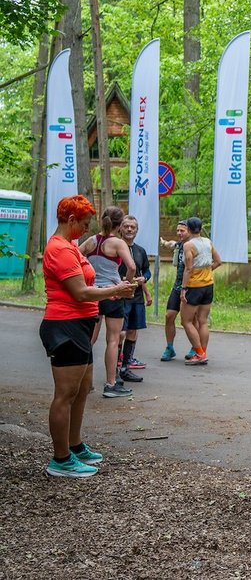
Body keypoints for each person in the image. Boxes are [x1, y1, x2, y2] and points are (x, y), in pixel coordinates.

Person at [40, 196, 134, 477]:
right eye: (83, 223)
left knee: (82, 390)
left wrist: (115, 289)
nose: (86, 228)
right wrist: (116, 291)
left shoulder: (70, 246)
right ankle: (60, 459)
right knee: (65, 394)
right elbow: (80, 292)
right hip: (64, 324)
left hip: (80, 324)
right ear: (70, 221)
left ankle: (75, 444)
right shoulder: (59, 249)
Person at [79, 206, 137, 398]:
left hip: (94, 294)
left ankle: (84, 383)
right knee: (113, 340)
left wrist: (88, 279)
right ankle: (111, 384)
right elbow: (132, 266)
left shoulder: (91, 241)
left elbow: (75, 259)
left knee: (90, 339)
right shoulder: (118, 243)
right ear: (120, 225)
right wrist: (124, 285)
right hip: (112, 295)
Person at [180, 217, 221, 366]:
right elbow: (218, 261)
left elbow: (188, 268)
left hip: (194, 286)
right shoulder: (208, 242)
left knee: (186, 321)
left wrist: (183, 288)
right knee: (203, 321)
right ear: (201, 227)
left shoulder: (188, 245)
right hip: (208, 285)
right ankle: (202, 352)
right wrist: (208, 271)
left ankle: (199, 353)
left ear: (188, 229)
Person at [116, 216, 152, 383]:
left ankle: (125, 368)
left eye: (132, 227)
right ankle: (115, 368)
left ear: (137, 231)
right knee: (120, 333)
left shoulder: (140, 251)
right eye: (126, 226)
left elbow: (147, 271)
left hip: (136, 298)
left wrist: (143, 279)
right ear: (120, 229)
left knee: (132, 332)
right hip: (120, 296)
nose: (129, 229)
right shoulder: (114, 248)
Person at [160, 221, 196, 362]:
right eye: (178, 230)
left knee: (193, 319)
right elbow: (171, 244)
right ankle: (170, 348)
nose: (180, 233)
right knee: (169, 316)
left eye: (183, 230)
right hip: (178, 286)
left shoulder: (195, 246)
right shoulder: (179, 245)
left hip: (193, 287)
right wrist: (163, 243)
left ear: (190, 231)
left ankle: (195, 347)